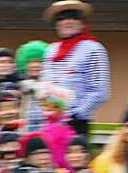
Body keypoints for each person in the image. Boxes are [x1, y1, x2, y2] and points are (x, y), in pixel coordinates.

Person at [41, 0, 110, 134]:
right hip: (50, 121)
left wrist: (75, 114)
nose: (68, 21)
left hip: (76, 123)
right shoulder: (50, 50)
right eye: (62, 18)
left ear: (82, 22)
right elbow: (45, 83)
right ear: (56, 24)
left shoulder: (93, 49)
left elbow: (100, 92)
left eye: (74, 17)